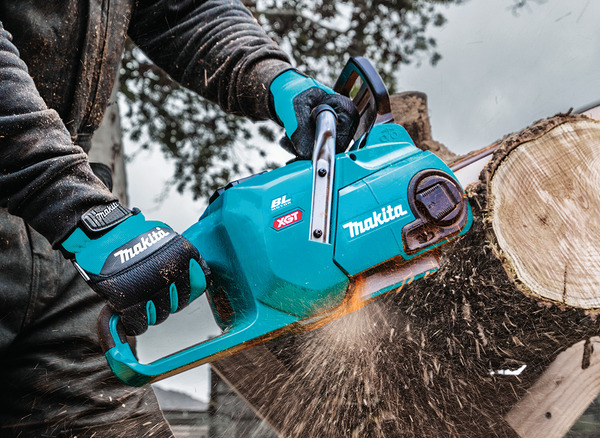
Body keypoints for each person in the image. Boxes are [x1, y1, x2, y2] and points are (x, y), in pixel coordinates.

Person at [0, 1, 358, 436]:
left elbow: (184, 9)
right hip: (64, 211)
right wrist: (78, 206)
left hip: (63, 251)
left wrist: (274, 77)